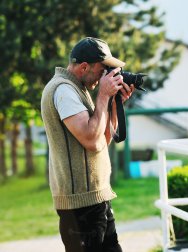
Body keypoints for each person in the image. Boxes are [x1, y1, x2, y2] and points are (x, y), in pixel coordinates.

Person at [41, 37, 135, 252]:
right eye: (103, 71)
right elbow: (91, 141)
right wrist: (103, 95)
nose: (106, 77)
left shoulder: (77, 90)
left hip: (94, 199)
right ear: (84, 67)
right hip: (80, 205)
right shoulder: (63, 91)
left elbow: (102, 141)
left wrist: (113, 104)